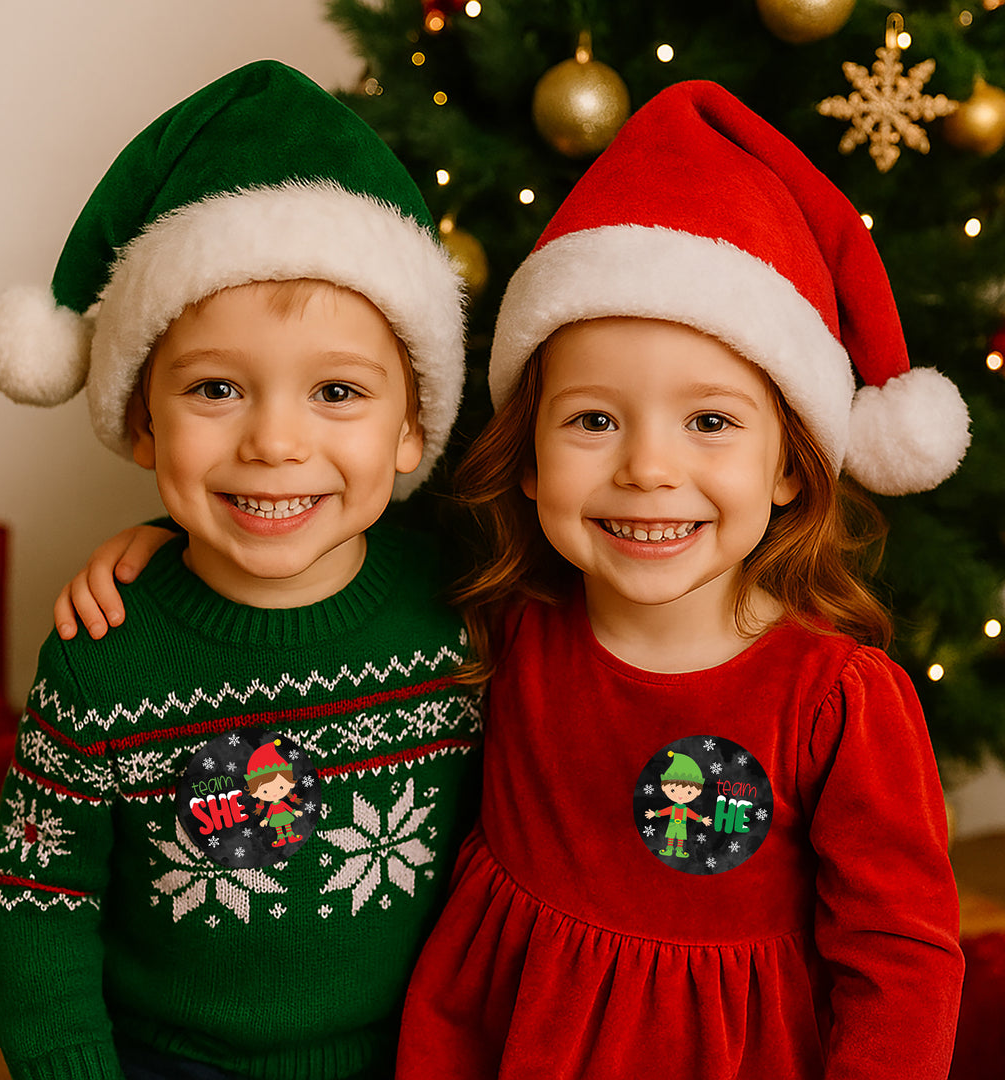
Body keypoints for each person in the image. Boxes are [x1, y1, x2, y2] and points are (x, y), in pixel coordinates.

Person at [390, 81, 968, 1077]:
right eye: (593, 420)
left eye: (709, 421)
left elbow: (903, 962)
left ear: (792, 464)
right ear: (526, 459)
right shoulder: (513, 622)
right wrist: (147, 552)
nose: (647, 469)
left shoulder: (837, 701)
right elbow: (311, 552)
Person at [0, 61, 480, 1080]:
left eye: (337, 391)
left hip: (419, 1055)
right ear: (140, 423)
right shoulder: (102, 657)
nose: (274, 444)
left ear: (412, 428)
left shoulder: (465, 613)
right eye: (217, 389)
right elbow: (38, 902)